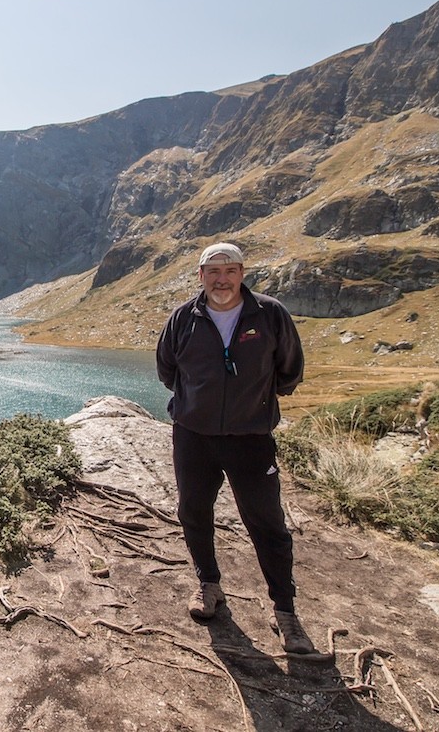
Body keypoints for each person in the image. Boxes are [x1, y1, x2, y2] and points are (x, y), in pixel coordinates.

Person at [155, 242, 314, 654]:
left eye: (229, 270)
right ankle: (208, 584)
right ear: (201, 276)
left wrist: (252, 405)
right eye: (213, 271)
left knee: (266, 521)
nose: (221, 279)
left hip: (251, 439)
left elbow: (289, 370)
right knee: (193, 510)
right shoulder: (183, 318)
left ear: (242, 272)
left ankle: (285, 610)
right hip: (194, 436)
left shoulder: (269, 314)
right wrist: (200, 404)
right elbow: (167, 370)